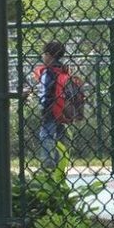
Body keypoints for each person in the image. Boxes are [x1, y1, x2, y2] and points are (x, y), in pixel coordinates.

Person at [33, 41, 74, 171]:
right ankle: (59, 165)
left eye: (44, 54)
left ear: (49, 55)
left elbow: (46, 92)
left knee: (46, 135)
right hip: (62, 108)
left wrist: (43, 108)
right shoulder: (64, 70)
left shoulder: (48, 72)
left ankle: (47, 165)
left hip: (50, 108)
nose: (43, 57)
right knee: (60, 137)